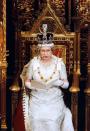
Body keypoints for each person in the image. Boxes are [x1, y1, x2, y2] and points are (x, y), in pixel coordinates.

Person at [14, 24, 74, 131]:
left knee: (52, 121)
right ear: (39, 51)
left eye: (48, 51)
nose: (45, 54)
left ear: (52, 50)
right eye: (43, 51)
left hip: (54, 99)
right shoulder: (33, 63)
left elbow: (66, 85)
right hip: (37, 98)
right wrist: (36, 86)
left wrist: (58, 82)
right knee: (36, 119)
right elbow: (27, 82)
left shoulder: (59, 63)